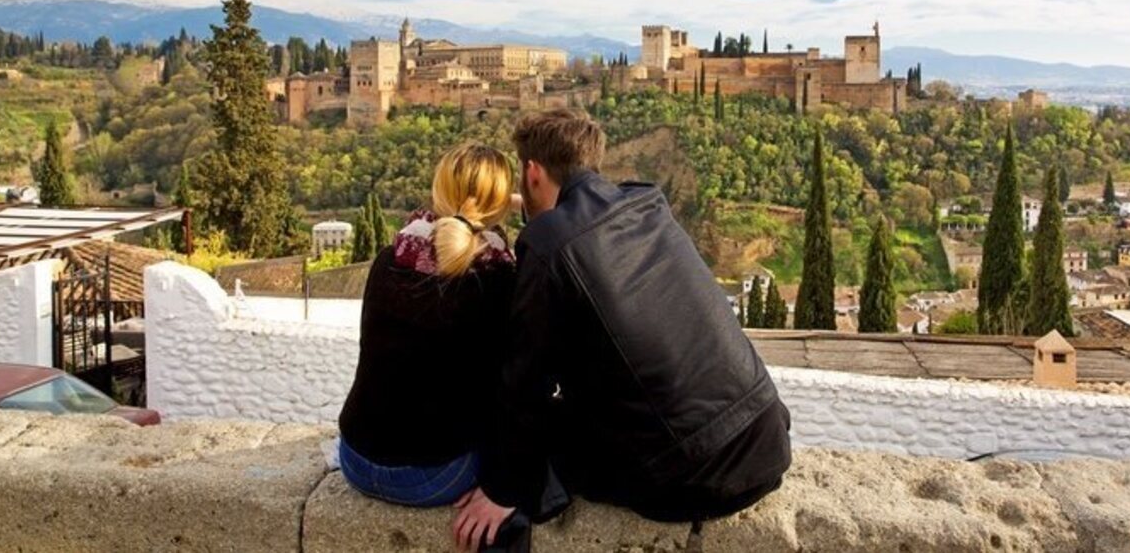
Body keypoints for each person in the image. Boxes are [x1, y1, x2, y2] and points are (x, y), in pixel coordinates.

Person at [453, 110, 792, 544]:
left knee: (545, 418)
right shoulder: (647, 202)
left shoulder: (547, 246)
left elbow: (525, 384)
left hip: (690, 479)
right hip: (765, 441)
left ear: (532, 172)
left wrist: (503, 489)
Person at [338, 142, 527, 550]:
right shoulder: (498, 280)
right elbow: (514, 392)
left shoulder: (390, 258)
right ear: (502, 202)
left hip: (354, 457)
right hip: (432, 476)